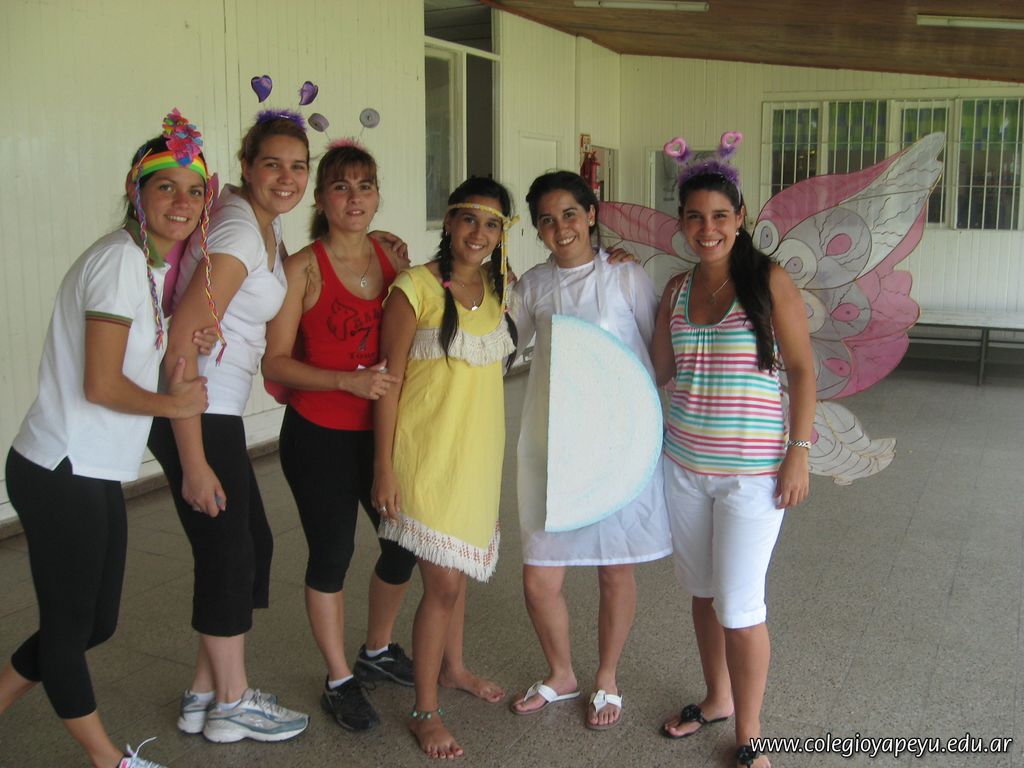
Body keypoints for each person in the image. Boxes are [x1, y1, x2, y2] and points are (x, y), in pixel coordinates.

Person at [0, 110, 211, 768]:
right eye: (166, 186)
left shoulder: (144, 266)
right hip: (62, 465)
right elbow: (102, 383)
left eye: (195, 190)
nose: (182, 202)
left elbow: (125, 361)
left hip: (89, 468)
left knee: (96, 622)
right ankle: (107, 759)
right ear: (135, 189)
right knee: (71, 626)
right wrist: (174, 403)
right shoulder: (120, 261)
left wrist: (183, 344)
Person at [147, 110, 313, 744]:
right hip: (198, 410)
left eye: (298, 166)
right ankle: (232, 703)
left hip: (216, 409)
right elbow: (181, 344)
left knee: (247, 546)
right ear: (246, 166)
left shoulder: (261, 223)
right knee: (229, 554)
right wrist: (193, 462)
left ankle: (203, 690)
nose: (287, 177)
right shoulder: (241, 233)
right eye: (272, 163)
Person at [651, 134, 814, 768]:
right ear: (682, 222)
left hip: (752, 476)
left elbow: (802, 370)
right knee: (703, 593)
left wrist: (798, 451)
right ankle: (717, 698)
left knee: (740, 607)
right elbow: (661, 371)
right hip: (684, 468)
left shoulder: (768, 281)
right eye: (695, 217)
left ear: (741, 217)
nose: (708, 228)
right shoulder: (675, 289)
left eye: (720, 215)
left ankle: (749, 736)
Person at [506, 171, 672, 730]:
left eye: (570, 214)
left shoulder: (625, 277)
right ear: (537, 229)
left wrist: (645, 426)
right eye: (547, 220)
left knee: (613, 570)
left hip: (615, 445)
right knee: (539, 578)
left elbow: (655, 355)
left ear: (592, 215)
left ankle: (606, 676)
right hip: (554, 445)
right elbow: (502, 345)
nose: (560, 228)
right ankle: (561, 674)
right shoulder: (533, 286)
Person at [261, 141, 417, 732]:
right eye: (341, 187)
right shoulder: (301, 269)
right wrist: (344, 381)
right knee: (332, 555)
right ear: (321, 200)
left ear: (377, 196)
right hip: (318, 435)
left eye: (365, 186)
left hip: (383, 433)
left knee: (401, 545)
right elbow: (275, 362)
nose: (355, 198)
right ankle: (338, 679)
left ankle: (376, 649)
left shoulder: (392, 259)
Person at [372, 177, 517, 759]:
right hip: (425, 457)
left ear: (503, 233)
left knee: (459, 569)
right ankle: (424, 710)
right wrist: (383, 467)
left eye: (492, 224)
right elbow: (388, 383)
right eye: (469, 219)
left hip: (476, 457)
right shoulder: (415, 288)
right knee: (443, 585)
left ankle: (453, 668)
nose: (479, 233)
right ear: (449, 222)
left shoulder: (500, 287)